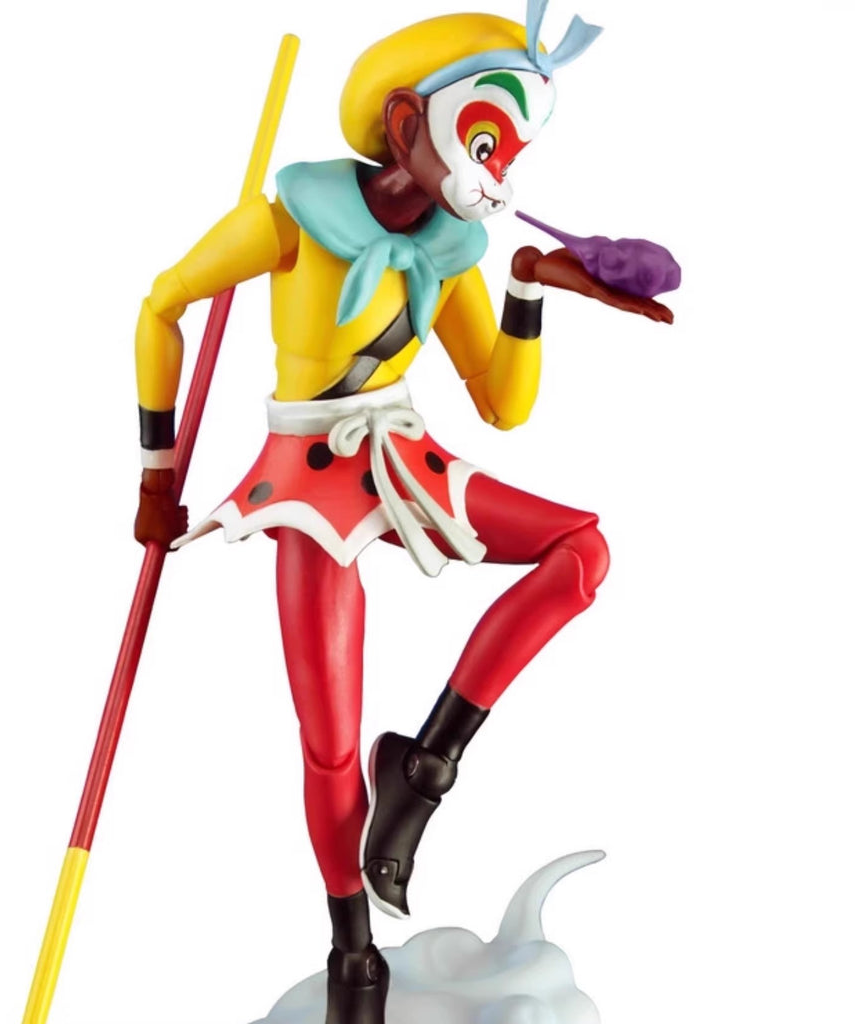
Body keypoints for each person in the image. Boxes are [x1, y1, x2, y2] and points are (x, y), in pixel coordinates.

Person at [133, 6, 673, 1022]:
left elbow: (502, 403)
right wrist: (156, 477)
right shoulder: (291, 218)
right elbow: (162, 302)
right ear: (402, 123)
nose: (499, 176)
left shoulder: (450, 248)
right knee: (327, 740)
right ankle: (353, 957)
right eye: (485, 142)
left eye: (512, 153)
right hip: (308, 476)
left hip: (404, 457)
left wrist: (528, 288)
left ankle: (423, 769)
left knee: (580, 550)